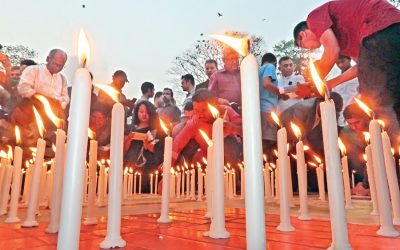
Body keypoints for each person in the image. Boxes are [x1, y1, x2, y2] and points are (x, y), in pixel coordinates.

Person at [293, 0, 400, 144]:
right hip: (392, 29)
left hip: (377, 23)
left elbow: (332, 51)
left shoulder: (313, 18)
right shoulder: (348, 42)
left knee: (377, 99)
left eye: (304, 46)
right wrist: (328, 84)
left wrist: (312, 85)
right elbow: (361, 67)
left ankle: (393, 150)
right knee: (394, 94)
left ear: (303, 35)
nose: (310, 49)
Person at [172, 89, 242, 166]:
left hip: (231, 154)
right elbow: (178, 143)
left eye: (204, 110)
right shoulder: (195, 122)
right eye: (197, 111)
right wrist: (168, 163)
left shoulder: (226, 110)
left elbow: (245, 131)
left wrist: (233, 128)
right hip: (207, 157)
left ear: (213, 106)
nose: (200, 114)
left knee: (229, 146)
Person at [124, 101, 165, 193]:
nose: (144, 115)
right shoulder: (130, 128)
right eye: (141, 112)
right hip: (131, 163)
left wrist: (151, 147)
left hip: (149, 167)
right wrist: (129, 139)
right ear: (136, 112)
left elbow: (162, 151)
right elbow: (124, 150)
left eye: (147, 112)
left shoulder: (157, 131)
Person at [18, 49, 69, 117]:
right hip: (32, 113)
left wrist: (61, 103)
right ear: (48, 59)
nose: (58, 68)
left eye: (61, 66)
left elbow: (65, 98)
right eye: (56, 64)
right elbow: (23, 88)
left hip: (53, 115)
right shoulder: (33, 70)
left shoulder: (62, 78)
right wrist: (42, 98)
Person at [259, 53, 283, 160]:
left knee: (262, 144)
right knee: (269, 145)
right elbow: (267, 84)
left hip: (259, 110)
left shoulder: (258, 71)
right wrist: (281, 93)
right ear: (274, 62)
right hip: (268, 110)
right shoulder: (270, 67)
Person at [332, 55, 359, 130]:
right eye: (337, 63)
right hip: (340, 119)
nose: (340, 65)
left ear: (349, 59)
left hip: (356, 117)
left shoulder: (359, 76)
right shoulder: (335, 81)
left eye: (343, 61)